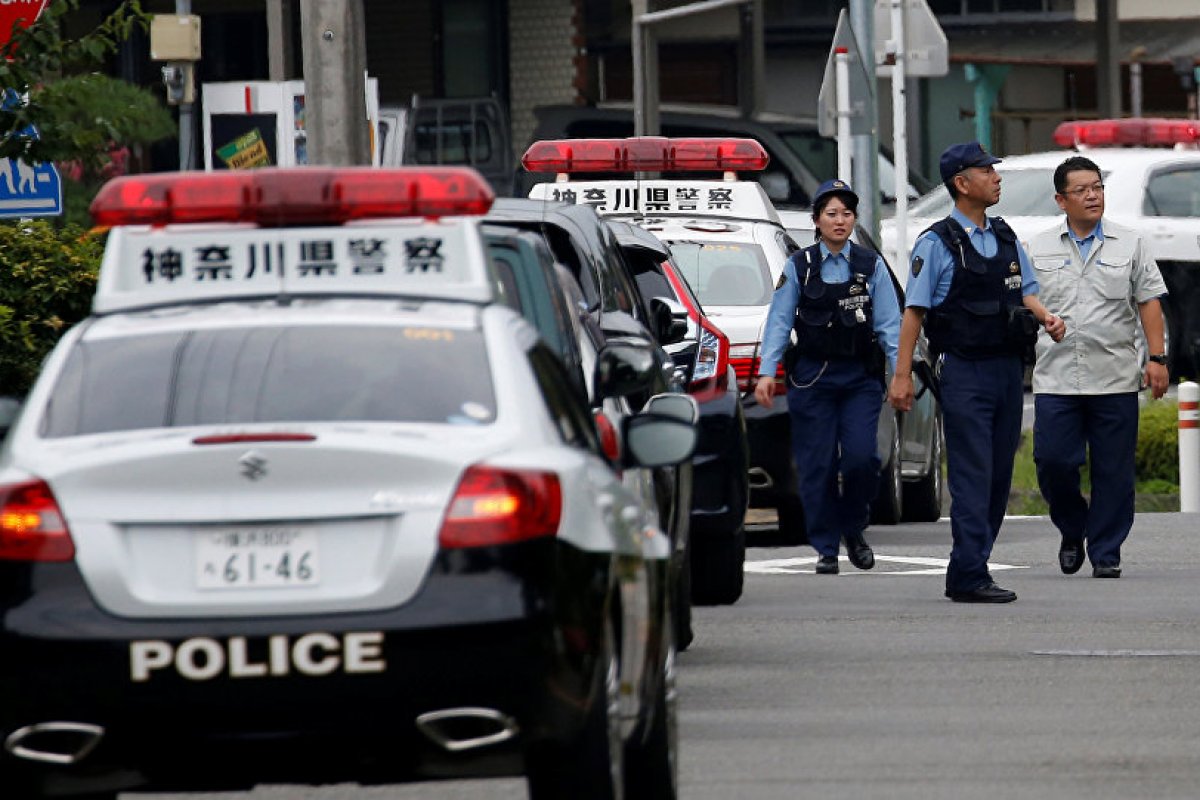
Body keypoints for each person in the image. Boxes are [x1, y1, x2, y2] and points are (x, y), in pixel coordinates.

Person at [889, 142, 1066, 603]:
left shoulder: (1005, 237)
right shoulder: (936, 243)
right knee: (972, 473)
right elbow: (915, 312)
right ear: (961, 183)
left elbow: (1026, 291)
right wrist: (902, 374)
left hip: (1008, 371)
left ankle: (968, 567)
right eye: (987, 171)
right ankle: (970, 573)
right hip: (965, 371)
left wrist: (1047, 317)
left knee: (998, 477)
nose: (996, 177)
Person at [1027, 155, 1169, 579]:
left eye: (1098, 188)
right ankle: (1073, 529)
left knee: (1114, 471)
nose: (1092, 196)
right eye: (1082, 190)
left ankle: (1106, 550)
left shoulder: (1131, 242)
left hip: (1115, 376)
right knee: (1053, 462)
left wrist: (1157, 358)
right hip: (1056, 377)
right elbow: (1026, 300)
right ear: (1060, 199)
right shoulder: (1038, 246)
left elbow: (1149, 301)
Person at [754, 179, 901, 575]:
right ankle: (825, 547)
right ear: (816, 220)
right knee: (816, 464)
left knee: (862, 459)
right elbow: (779, 322)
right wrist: (768, 373)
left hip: (860, 380)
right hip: (812, 380)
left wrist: (900, 372)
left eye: (847, 213)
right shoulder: (798, 267)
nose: (840, 221)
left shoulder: (870, 266)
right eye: (832, 213)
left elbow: (889, 323)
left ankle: (854, 528)